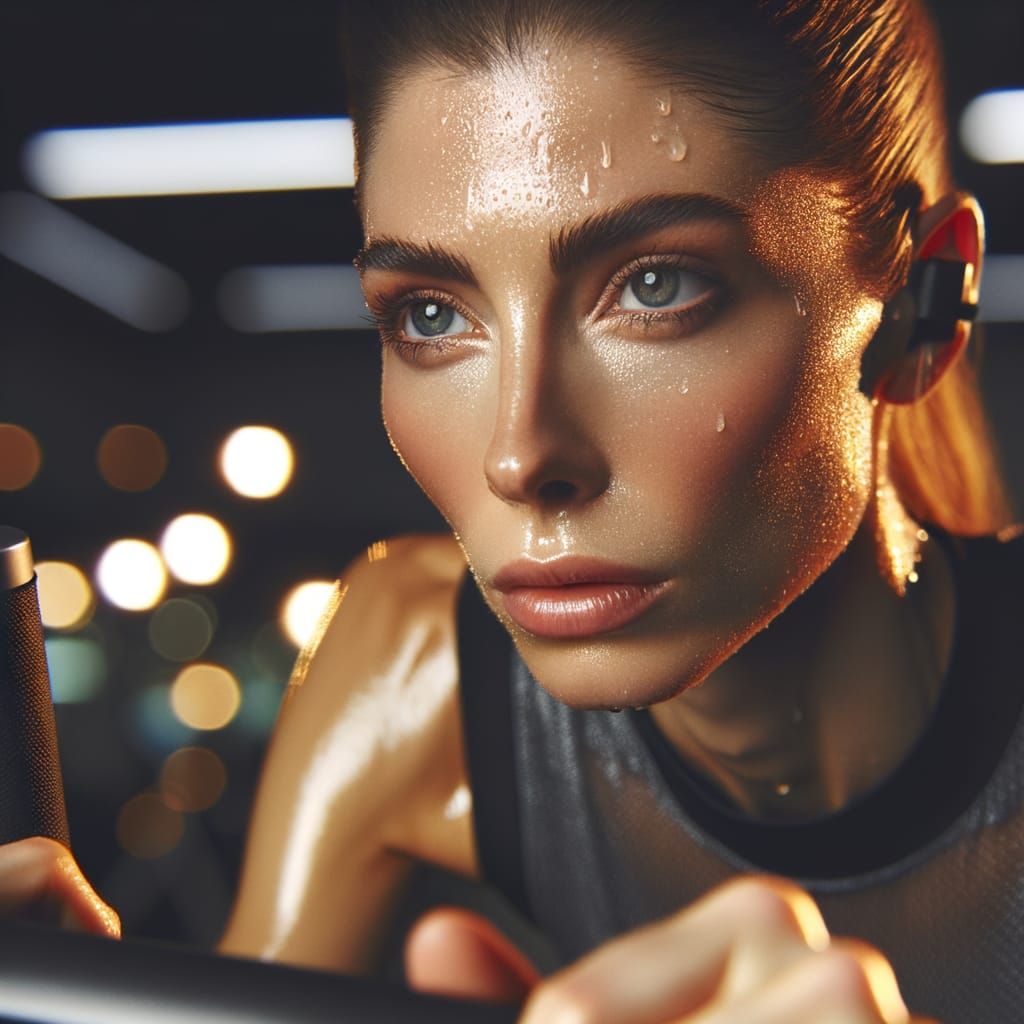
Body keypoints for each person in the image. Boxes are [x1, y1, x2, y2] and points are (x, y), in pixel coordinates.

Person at [2, 1, 1020, 1021]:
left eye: (657, 286)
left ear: (926, 299)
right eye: (430, 314)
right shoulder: (410, 665)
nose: (519, 454)